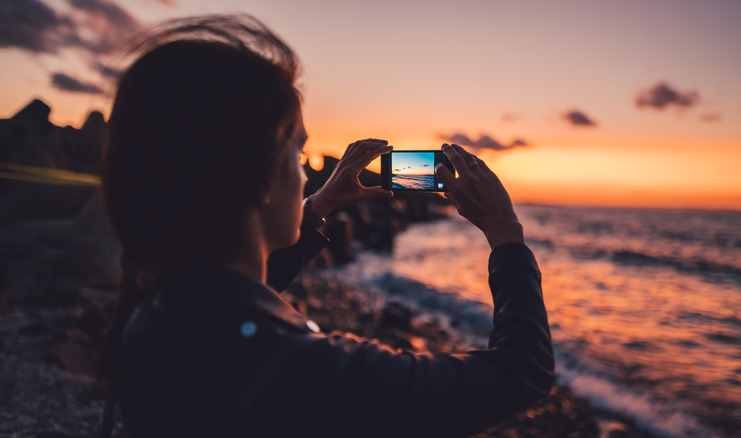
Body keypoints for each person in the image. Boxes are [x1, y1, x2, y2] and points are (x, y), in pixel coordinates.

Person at [98, 14, 554, 438]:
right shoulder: (305, 371)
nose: (306, 174)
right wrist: (506, 236)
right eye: (298, 156)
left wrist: (318, 206)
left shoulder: (159, 306)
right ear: (259, 180)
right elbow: (522, 371)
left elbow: (229, 291)